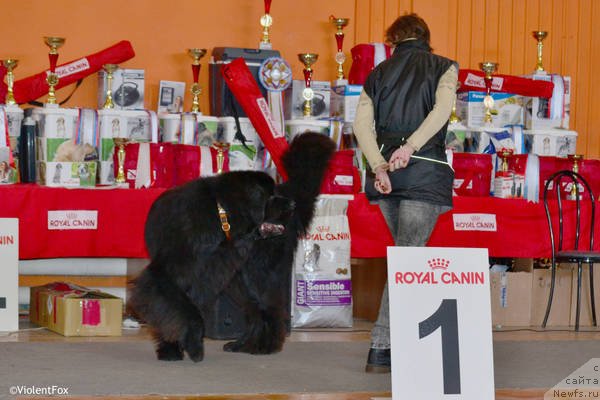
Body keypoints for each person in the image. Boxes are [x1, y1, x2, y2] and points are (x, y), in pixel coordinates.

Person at [352, 13, 459, 373]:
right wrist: (411, 147)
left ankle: (404, 341)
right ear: (426, 39)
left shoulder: (377, 73)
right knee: (409, 261)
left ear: (393, 40)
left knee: (405, 260)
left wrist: (380, 165)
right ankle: (381, 346)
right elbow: (442, 110)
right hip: (424, 176)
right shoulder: (444, 66)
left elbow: (360, 126)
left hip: (386, 181)